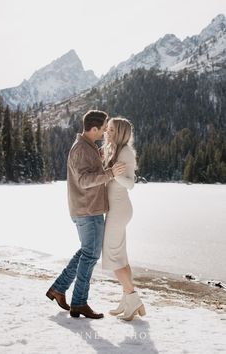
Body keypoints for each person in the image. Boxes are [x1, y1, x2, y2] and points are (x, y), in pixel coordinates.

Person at [46, 110, 125, 319]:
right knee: (90, 254)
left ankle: (58, 289)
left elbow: (88, 171)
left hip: (89, 209)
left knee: (86, 252)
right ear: (94, 128)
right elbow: (83, 180)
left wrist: (101, 160)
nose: (105, 131)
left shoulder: (88, 147)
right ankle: (79, 302)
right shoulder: (81, 149)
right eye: (103, 128)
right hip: (87, 210)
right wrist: (110, 174)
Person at [102, 117, 146, 321]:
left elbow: (130, 184)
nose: (106, 131)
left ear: (119, 132)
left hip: (119, 209)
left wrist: (112, 175)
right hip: (116, 209)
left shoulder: (125, 151)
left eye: (110, 129)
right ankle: (128, 300)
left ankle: (133, 298)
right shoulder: (113, 149)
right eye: (107, 128)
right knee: (121, 256)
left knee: (113, 256)